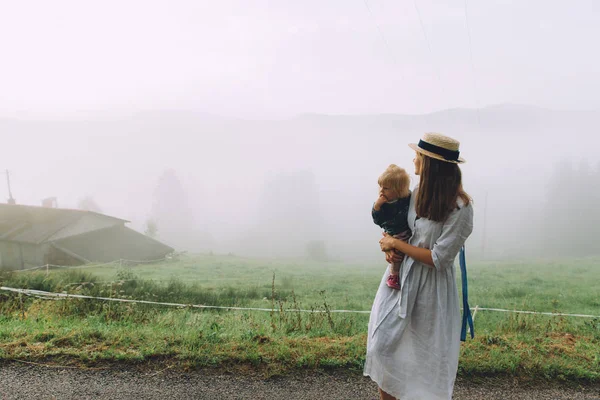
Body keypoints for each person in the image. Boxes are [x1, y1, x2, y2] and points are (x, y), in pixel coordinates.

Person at [363, 132, 474, 400]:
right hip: (400, 280)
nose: (414, 160)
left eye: (418, 156)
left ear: (431, 164)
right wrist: (389, 247)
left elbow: (439, 258)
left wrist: (397, 245)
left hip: (432, 289)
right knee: (383, 347)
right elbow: (398, 229)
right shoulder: (414, 195)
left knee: (424, 358)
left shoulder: (460, 207)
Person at [372, 164, 412, 290]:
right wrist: (376, 207)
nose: (381, 191)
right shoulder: (383, 204)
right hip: (394, 232)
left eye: (386, 188)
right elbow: (378, 221)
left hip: (406, 231)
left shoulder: (408, 198)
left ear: (399, 190)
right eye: (380, 187)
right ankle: (393, 276)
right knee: (396, 255)